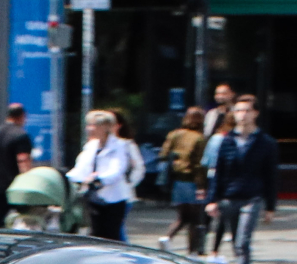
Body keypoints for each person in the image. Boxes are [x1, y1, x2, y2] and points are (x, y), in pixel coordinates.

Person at [206, 97, 279, 264]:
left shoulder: (266, 143)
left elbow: (271, 175)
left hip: (252, 197)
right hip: (229, 197)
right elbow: (219, 172)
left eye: (246, 110)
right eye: (238, 111)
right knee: (237, 244)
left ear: (255, 113)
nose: (242, 115)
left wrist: (270, 206)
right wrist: (212, 200)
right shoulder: (227, 140)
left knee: (242, 242)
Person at [67, 108, 142, 242]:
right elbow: (81, 167)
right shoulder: (91, 146)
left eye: (94, 125)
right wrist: (70, 178)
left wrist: (98, 178)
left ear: (105, 127)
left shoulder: (120, 145)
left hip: (114, 198)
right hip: (94, 197)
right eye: (88, 125)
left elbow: (117, 170)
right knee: (95, 234)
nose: (89, 129)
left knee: (113, 236)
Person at [160, 105, 210, 253]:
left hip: (177, 180)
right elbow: (199, 164)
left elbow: (163, 154)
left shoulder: (174, 134)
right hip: (192, 181)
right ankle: (192, 251)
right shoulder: (199, 138)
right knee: (195, 219)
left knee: (182, 216)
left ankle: (167, 237)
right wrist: (202, 185)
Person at [0, 102, 34, 225]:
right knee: (24, 220)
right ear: (22, 116)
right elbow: (23, 159)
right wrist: (28, 181)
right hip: (16, 187)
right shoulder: (21, 135)